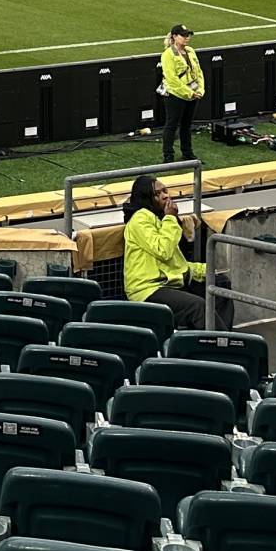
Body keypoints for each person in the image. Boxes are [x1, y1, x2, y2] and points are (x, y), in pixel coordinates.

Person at [121, 172, 207, 326]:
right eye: (157, 194)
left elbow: (176, 264)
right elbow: (163, 250)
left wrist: (206, 270)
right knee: (198, 306)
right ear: (146, 198)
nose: (165, 196)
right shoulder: (140, 218)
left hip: (170, 282)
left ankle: (224, 340)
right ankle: (210, 346)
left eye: (165, 191)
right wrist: (171, 218)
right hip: (148, 289)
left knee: (219, 285)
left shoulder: (161, 218)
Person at [158, 23, 204, 163]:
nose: (187, 38)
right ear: (174, 37)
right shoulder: (168, 54)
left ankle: (188, 153)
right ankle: (168, 156)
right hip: (175, 95)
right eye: (183, 35)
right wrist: (189, 93)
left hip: (192, 94)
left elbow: (198, 72)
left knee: (186, 125)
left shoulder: (190, 51)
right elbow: (171, 79)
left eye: (187, 35)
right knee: (171, 125)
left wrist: (200, 89)